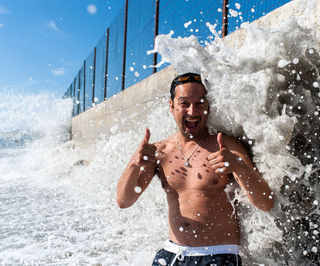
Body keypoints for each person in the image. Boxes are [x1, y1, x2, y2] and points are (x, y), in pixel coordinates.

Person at [116, 72, 274, 266]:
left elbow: (266, 202)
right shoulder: (160, 152)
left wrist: (239, 167)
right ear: (172, 106)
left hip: (218, 256)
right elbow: (124, 201)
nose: (192, 111)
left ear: (207, 106)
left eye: (200, 103)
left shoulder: (227, 147)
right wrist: (134, 163)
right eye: (184, 103)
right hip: (171, 255)